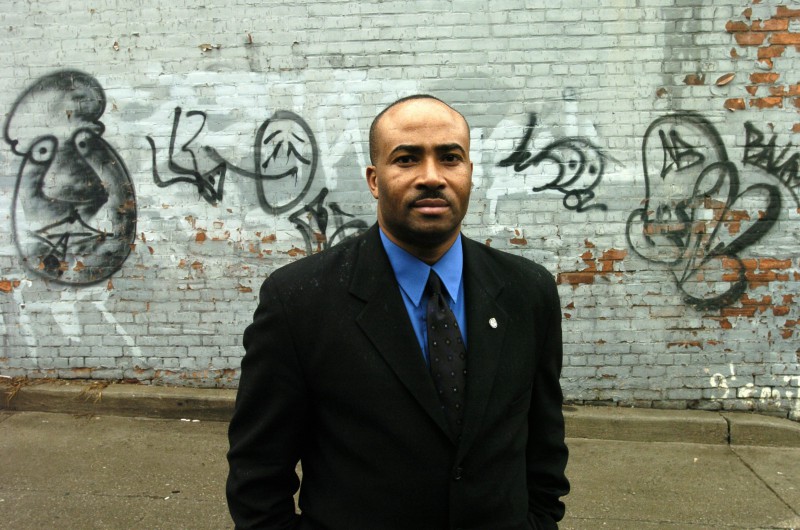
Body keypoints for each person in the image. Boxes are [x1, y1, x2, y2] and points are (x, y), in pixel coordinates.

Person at [226, 95, 570, 529]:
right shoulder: (299, 300)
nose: (432, 177)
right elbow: (257, 474)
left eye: (450, 158)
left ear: (469, 173)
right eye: (407, 159)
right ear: (374, 179)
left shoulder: (527, 292)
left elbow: (544, 446)